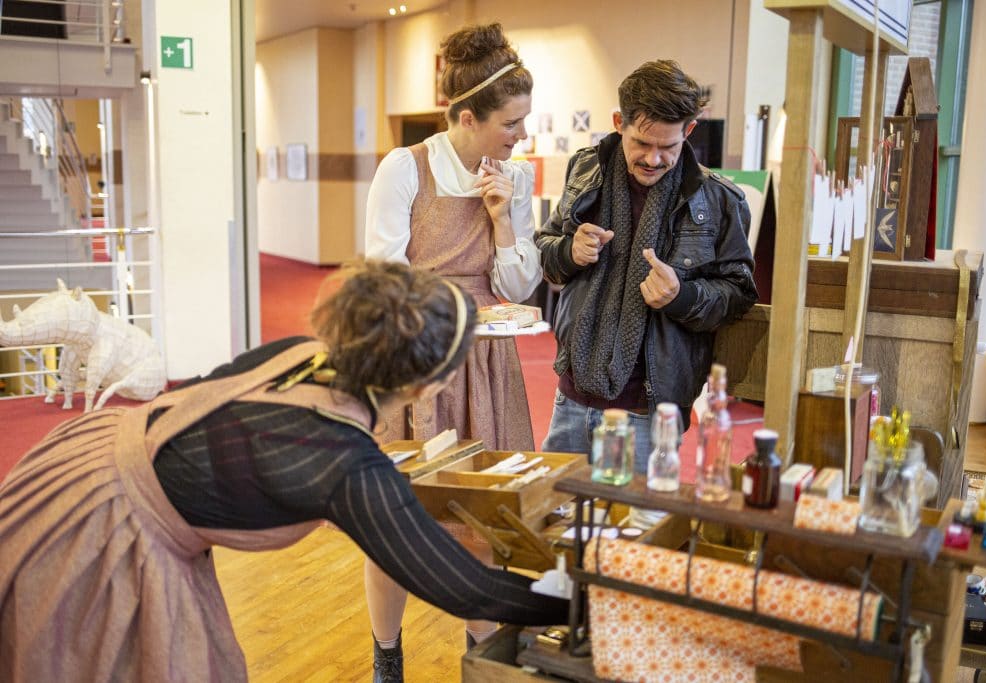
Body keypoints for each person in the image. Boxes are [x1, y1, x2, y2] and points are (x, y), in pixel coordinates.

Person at [0, 261, 568, 683]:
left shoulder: (301, 354)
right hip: (112, 526)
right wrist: (578, 604)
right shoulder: (345, 461)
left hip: (85, 460)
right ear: (429, 383)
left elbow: (201, 400)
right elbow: (462, 586)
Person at [363, 23, 541, 674]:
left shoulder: (513, 179)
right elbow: (383, 281)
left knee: (485, 519)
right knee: (396, 524)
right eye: (510, 123)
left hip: (489, 363)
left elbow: (519, 286)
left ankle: (481, 655)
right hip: (420, 359)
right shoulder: (404, 168)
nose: (520, 135)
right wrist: (444, 317)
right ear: (468, 117)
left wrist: (502, 219)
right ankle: (387, 656)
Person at [535, 59, 758, 472]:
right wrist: (569, 252)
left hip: (650, 407)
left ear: (689, 131)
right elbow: (545, 253)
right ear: (618, 123)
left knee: (633, 513)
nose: (653, 158)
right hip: (572, 395)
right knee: (556, 506)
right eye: (641, 143)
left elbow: (739, 294)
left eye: (668, 147)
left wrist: (682, 296)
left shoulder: (719, 200)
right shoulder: (585, 170)